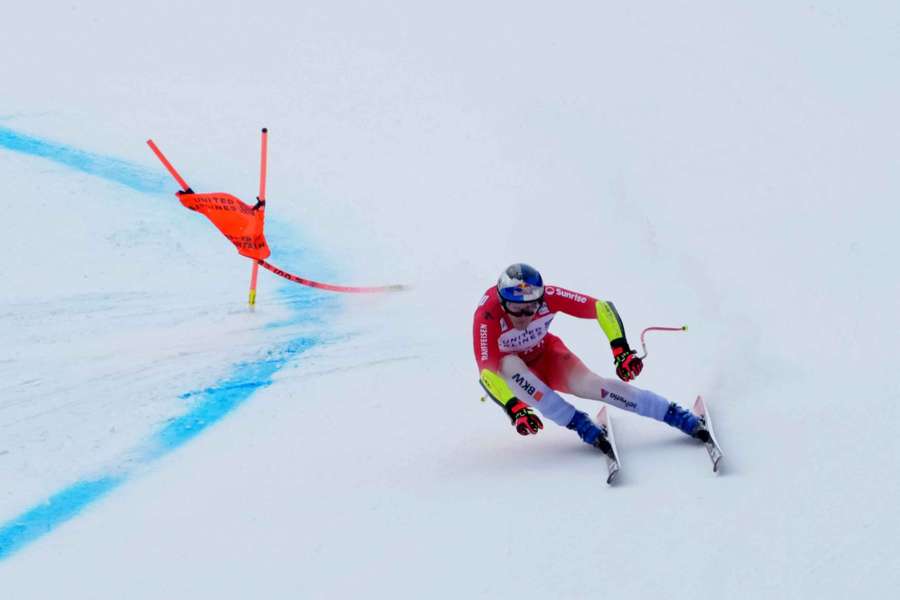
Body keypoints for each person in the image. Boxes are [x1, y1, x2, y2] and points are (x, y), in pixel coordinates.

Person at [472, 263, 709, 457]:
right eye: (515, 308)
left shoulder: (549, 297)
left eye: (531, 308)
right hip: (517, 379)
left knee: (595, 387)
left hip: (549, 357)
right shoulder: (487, 316)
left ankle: (676, 415)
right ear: (503, 302)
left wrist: (621, 350)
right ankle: (580, 424)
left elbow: (600, 307)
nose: (524, 316)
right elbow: (487, 373)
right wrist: (515, 408)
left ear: (540, 300)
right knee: (508, 365)